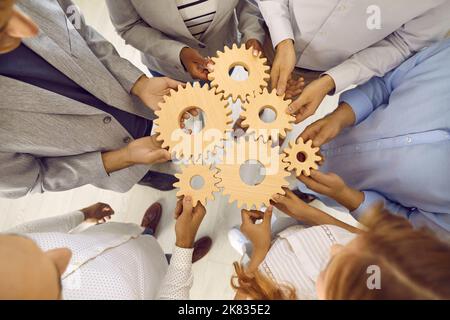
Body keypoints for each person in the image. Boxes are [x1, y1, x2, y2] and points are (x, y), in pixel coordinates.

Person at [0, 0, 183, 199]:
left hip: (140, 103)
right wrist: (123, 158)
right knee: (151, 173)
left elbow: (79, 29)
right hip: (115, 162)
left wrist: (138, 83)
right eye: (2, 29)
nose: (29, 28)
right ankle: (147, 176)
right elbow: (36, 178)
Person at [293, 39, 450, 238]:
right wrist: (340, 117)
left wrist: (345, 196)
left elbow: (406, 231)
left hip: (323, 194)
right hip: (315, 123)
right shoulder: (446, 60)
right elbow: (385, 85)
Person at [256, 0, 450, 123]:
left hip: (317, 76)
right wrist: (281, 37)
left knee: (270, 128)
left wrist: (332, 80)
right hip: (267, 33)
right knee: (234, 107)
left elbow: (402, 44)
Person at [0, 197, 212, 300]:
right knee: (166, 266)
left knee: (140, 238)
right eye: (53, 274)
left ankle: (146, 232)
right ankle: (173, 260)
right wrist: (184, 245)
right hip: (153, 281)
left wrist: (82, 215)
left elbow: (27, 229)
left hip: (116, 236)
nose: (64, 252)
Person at [232, 206, 450, 300]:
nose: (335, 247)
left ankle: (245, 247)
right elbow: (356, 236)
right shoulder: (386, 270)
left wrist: (259, 253)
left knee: (245, 247)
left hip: (260, 268)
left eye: (331, 264)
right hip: (294, 234)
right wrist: (311, 214)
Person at [106, 0, 265, 82]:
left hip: (224, 53)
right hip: (168, 68)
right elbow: (129, 25)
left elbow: (248, 2)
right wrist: (178, 53)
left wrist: (252, 34)